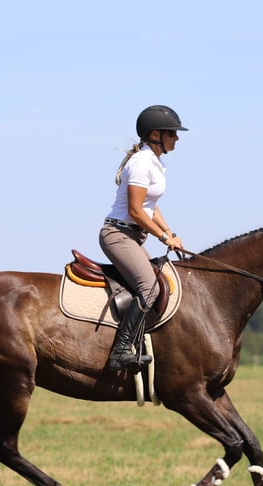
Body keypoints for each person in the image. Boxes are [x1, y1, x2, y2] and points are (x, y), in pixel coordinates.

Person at [99, 105, 187, 371]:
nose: (177, 138)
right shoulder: (140, 164)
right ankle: (120, 351)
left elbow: (151, 205)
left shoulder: (155, 164)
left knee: (160, 284)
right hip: (118, 234)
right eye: (172, 133)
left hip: (133, 237)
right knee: (150, 288)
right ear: (155, 134)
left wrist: (170, 233)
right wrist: (162, 237)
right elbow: (136, 211)